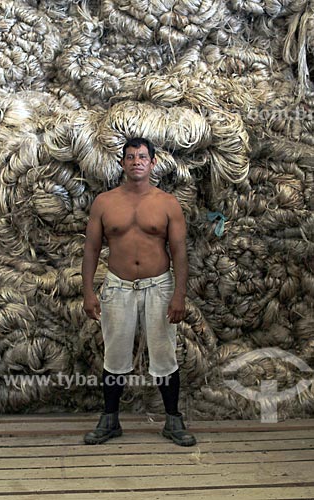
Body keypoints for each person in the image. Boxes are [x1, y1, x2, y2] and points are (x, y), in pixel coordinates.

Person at [82, 137, 196, 447]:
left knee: (163, 355)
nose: (136, 162)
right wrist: (88, 292)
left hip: (158, 284)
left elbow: (179, 252)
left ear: (153, 162)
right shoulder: (105, 202)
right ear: (122, 163)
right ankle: (110, 420)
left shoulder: (167, 203)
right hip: (118, 285)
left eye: (142, 156)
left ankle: (173, 421)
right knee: (115, 355)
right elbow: (91, 249)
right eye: (130, 157)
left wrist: (179, 295)